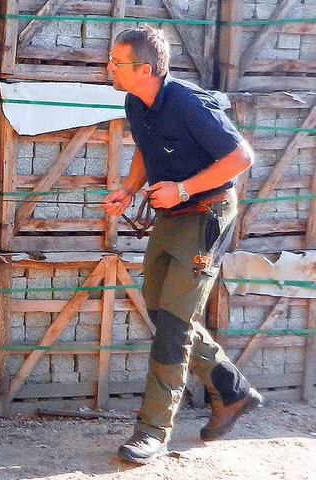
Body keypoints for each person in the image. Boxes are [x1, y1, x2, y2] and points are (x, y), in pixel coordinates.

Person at [102, 26, 262, 465]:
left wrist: (184, 189)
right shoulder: (136, 100)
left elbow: (241, 157)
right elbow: (144, 147)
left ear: (146, 69)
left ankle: (152, 431)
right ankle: (232, 391)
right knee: (158, 306)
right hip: (171, 216)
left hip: (205, 215)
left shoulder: (189, 105)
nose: (108, 68)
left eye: (117, 63)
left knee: (174, 325)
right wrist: (130, 188)